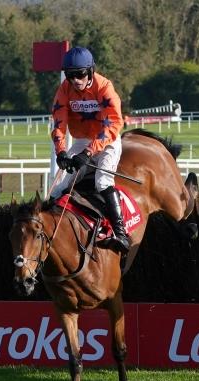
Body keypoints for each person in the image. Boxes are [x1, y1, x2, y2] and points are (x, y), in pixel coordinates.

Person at [50, 46, 129, 253]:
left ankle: (121, 234)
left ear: (90, 71)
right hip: (83, 141)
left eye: (80, 74)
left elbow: (114, 124)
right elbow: (59, 123)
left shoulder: (105, 88)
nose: (75, 80)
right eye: (70, 75)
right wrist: (61, 152)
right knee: (59, 187)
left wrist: (88, 152)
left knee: (102, 181)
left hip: (108, 140)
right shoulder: (64, 89)